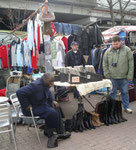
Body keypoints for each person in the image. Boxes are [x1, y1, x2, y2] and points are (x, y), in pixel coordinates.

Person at [16, 73, 71, 148]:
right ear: (44, 79)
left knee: (57, 107)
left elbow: (48, 92)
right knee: (52, 113)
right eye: (50, 82)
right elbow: (19, 92)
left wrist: (53, 100)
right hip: (31, 109)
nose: (51, 84)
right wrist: (26, 105)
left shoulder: (45, 84)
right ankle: (52, 135)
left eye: (52, 81)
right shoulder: (35, 85)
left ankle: (56, 131)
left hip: (39, 104)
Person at [103, 36, 134, 113]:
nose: (115, 46)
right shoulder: (108, 51)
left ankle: (126, 107)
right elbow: (105, 63)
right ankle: (112, 108)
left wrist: (130, 75)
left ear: (120, 42)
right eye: (113, 44)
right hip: (112, 77)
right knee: (112, 92)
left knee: (125, 92)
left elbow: (131, 63)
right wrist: (106, 74)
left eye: (116, 44)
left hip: (124, 76)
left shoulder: (127, 50)